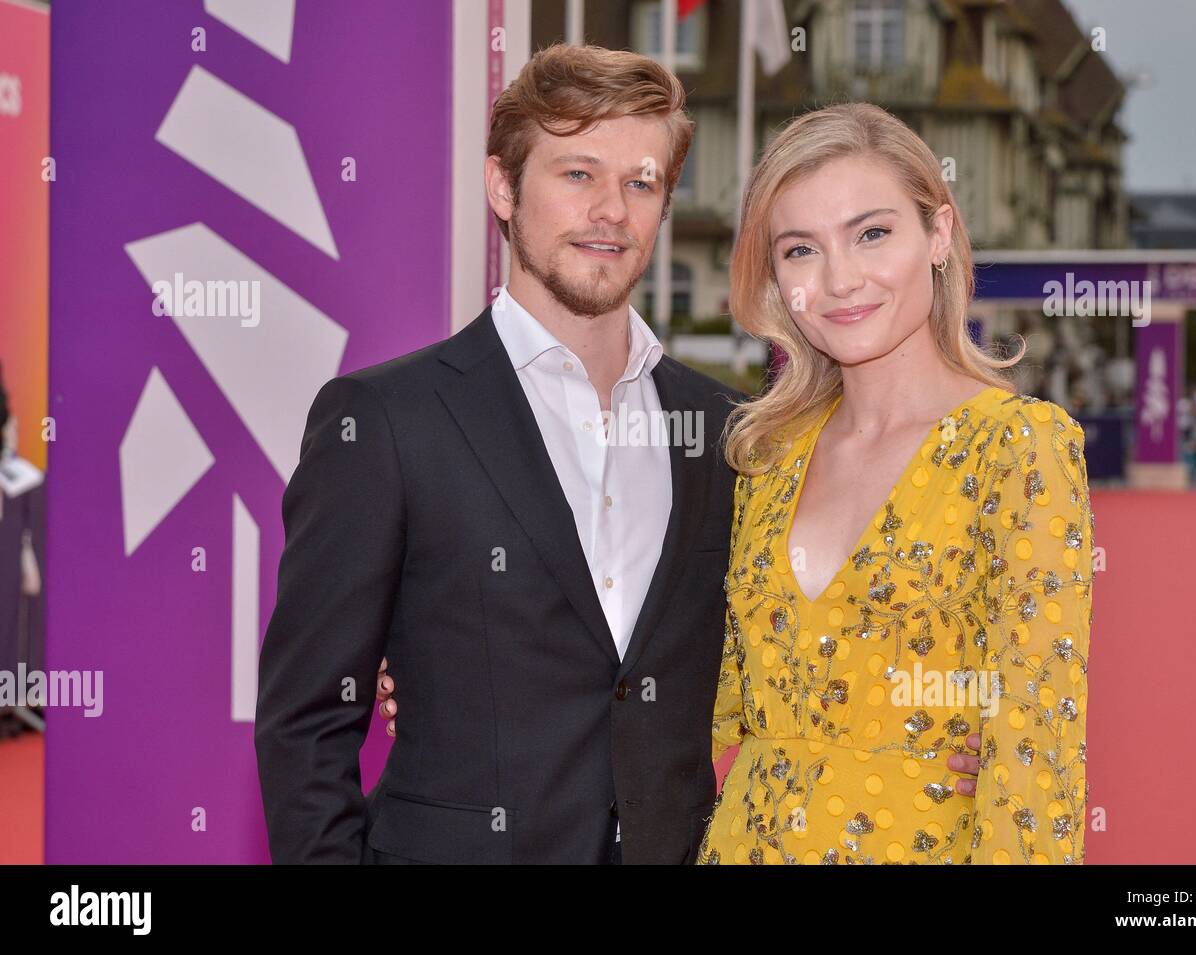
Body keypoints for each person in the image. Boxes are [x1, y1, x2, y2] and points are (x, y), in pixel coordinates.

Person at [255, 43, 983, 865]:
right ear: (503, 185)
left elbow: (791, 659)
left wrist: (950, 740)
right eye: (576, 174)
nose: (611, 210)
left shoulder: (729, 434)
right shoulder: (387, 421)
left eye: (640, 181)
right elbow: (307, 720)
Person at [695, 102, 1094, 864]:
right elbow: (702, 697)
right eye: (801, 249)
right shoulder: (769, 458)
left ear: (938, 235)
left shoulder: (1017, 449)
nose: (841, 279)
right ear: (778, 278)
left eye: (871, 233)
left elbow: (1037, 755)